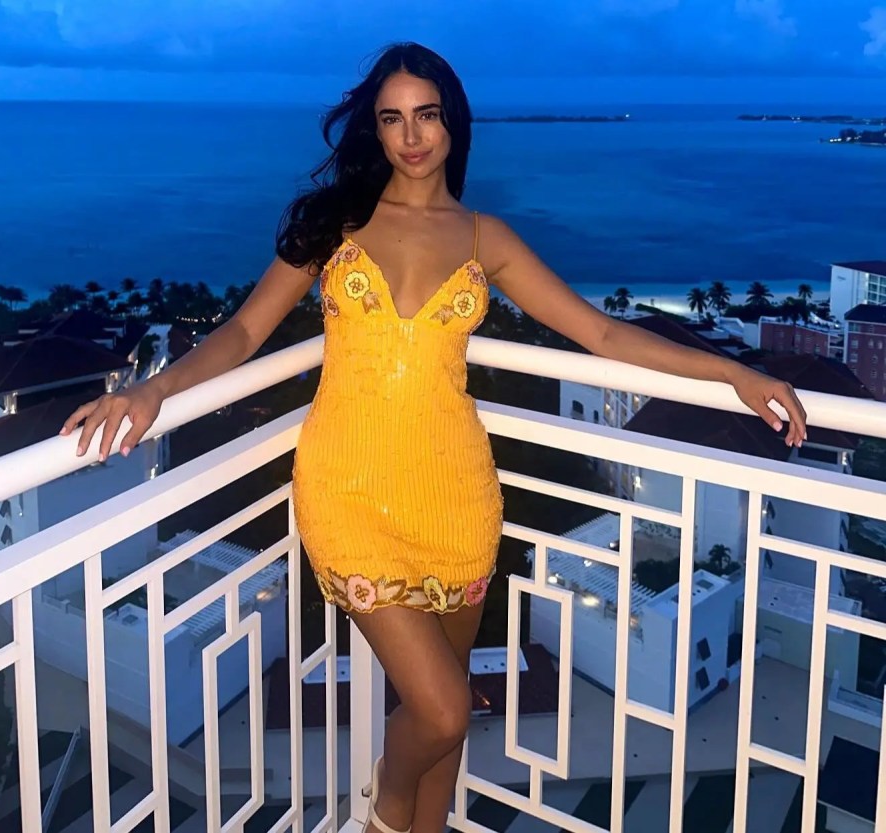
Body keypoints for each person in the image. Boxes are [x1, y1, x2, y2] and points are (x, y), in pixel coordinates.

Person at [61, 42, 808, 833]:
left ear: (452, 123)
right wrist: (154, 387)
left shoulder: (488, 239)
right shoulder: (333, 226)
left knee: (444, 700)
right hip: (347, 488)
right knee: (445, 709)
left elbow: (603, 335)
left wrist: (734, 374)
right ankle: (386, 804)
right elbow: (246, 329)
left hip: (456, 495)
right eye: (392, 118)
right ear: (374, 132)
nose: (411, 136)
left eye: (426, 115)